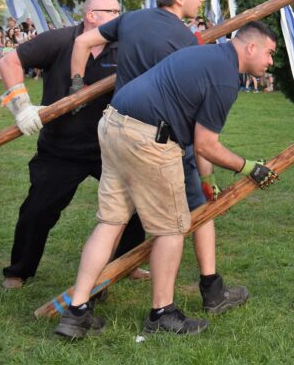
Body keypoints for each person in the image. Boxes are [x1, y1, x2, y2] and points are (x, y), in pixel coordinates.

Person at [54, 22, 278, 340]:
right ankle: (162, 313)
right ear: (250, 48)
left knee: (111, 222)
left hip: (114, 123)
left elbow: (196, 135)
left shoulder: (207, 55)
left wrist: (206, 176)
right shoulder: (225, 77)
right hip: (149, 138)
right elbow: (206, 145)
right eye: (269, 53)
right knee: (171, 228)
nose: (270, 61)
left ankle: (75, 312)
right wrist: (248, 167)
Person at [70, 0, 245, 315]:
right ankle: (209, 290)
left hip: (120, 123)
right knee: (196, 212)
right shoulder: (185, 41)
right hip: (163, 136)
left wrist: (77, 85)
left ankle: (88, 296)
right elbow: (200, 126)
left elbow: (82, 41)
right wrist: (207, 173)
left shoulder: (131, 19)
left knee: (113, 219)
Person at [0, 0, 148, 288]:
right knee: (38, 208)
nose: (119, 15)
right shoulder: (60, 40)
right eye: (112, 11)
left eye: (120, 10)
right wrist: (21, 105)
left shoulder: (124, 46)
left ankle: (126, 263)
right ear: (91, 15)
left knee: (133, 205)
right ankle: (18, 270)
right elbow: (9, 61)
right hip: (60, 147)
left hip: (111, 144)